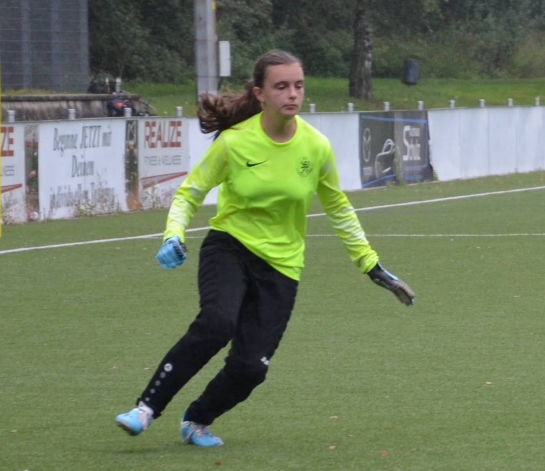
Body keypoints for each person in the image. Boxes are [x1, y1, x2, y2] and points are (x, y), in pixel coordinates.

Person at [113, 50, 416, 447]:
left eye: (299, 86)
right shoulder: (235, 142)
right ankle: (146, 409)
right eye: (282, 86)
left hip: (283, 267)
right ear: (260, 93)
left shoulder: (316, 146)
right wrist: (173, 234)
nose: (293, 94)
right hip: (230, 247)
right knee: (217, 323)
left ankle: (197, 420)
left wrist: (371, 264)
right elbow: (190, 192)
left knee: (251, 368)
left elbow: (338, 207)